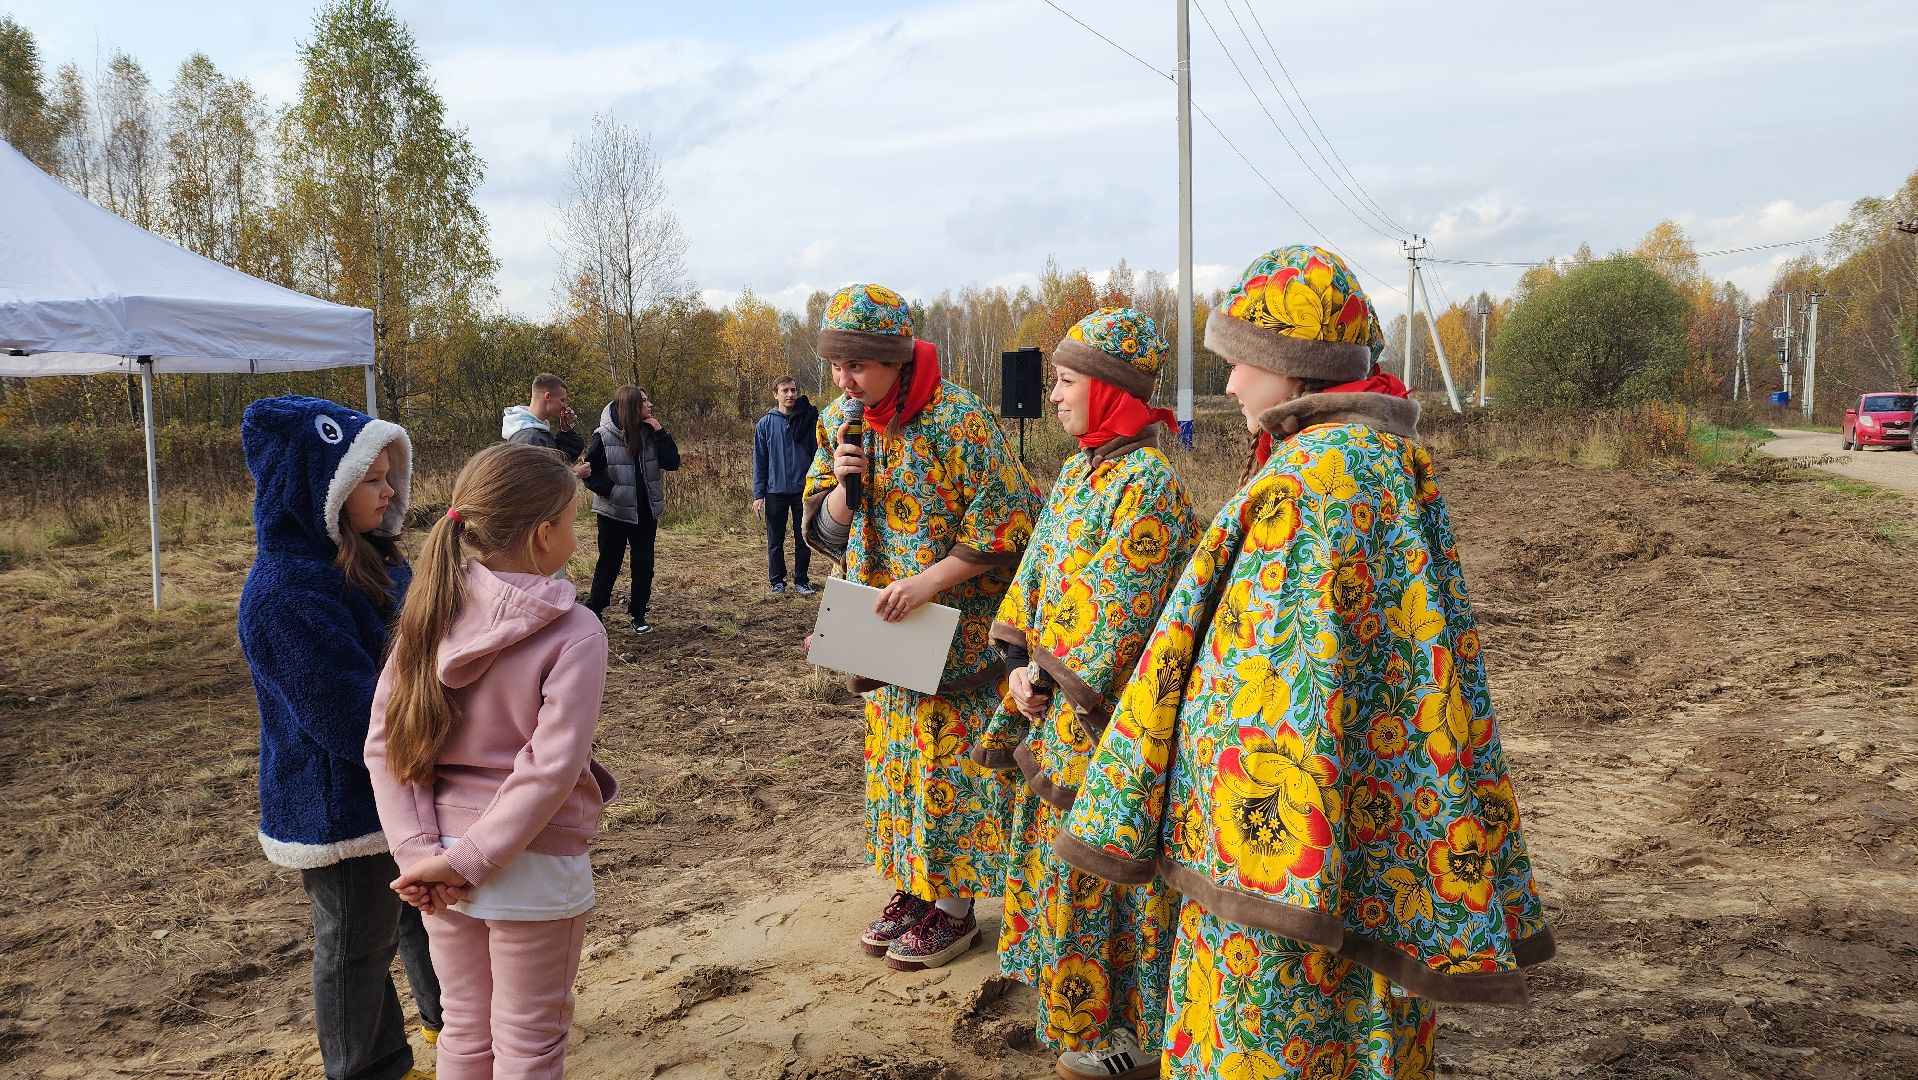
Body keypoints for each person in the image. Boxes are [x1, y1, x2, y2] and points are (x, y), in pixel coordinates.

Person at [1060, 246, 1554, 1079]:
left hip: (1278, 848)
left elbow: (1274, 690)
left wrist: (1221, 824)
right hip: (1350, 812)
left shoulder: (1320, 475)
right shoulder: (1371, 458)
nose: (1227, 389)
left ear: (1293, 371)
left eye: (1239, 364)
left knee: (1276, 1015)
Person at [970, 309, 1198, 1080]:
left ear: (1108, 390)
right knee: (1059, 866)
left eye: (1067, 382)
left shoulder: (1150, 485)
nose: (1056, 397)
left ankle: (1125, 1030)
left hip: (1109, 730)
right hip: (1054, 706)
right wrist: (1015, 664)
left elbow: (1122, 605)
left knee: (1103, 877)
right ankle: (1076, 1008)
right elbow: (1035, 574)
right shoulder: (1080, 470)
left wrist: (1049, 675)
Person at [801, 282, 1041, 971]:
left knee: (950, 767)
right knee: (899, 761)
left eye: (860, 367)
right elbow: (822, 530)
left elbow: (1009, 520)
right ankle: (915, 885)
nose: (847, 381)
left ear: (898, 359)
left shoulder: (955, 419)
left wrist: (926, 582)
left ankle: (958, 906)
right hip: (882, 629)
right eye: (838, 367)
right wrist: (845, 490)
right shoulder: (837, 423)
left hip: (954, 629)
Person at [365, 441, 617, 1080]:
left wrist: (422, 853)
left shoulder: (428, 614)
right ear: (541, 535)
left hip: (438, 859)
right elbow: (551, 766)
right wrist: (469, 860)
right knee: (531, 1044)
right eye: (571, 522)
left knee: (465, 1030)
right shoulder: (577, 630)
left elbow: (388, 745)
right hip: (532, 861)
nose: (575, 535)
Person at [237, 395, 441, 1080]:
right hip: (343, 805)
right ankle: (369, 1066)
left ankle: (455, 1021)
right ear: (323, 486)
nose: (389, 492)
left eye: (390, 476)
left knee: (416, 917)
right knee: (357, 944)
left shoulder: (373, 560)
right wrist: (449, 722)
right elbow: (351, 715)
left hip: (403, 781)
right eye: (373, 479)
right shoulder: (284, 592)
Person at [579, 385, 680, 634]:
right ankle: (595, 611)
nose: (650, 405)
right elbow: (588, 472)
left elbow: (672, 462)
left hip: (646, 513)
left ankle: (638, 615)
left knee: (644, 567)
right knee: (609, 564)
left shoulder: (650, 432)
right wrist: (613, 492)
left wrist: (660, 431)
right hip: (613, 513)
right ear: (632, 406)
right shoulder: (603, 435)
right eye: (645, 401)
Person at [752, 374, 816, 596]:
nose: (790, 394)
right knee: (775, 540)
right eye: (785, 390)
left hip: (803, 491)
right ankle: (777, 581)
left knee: (803, 538)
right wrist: (758, 494)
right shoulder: (765, 424)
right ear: (775, 395)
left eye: (793, 390)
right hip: (774, 491)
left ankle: (801, 580)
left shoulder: (807, 420)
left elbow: (819, 454)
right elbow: (759, 461)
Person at [500, 372, 584, 461]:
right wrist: (575, 472)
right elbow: (538, 474)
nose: (565, 405)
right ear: (547, 397)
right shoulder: (530, 439)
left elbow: (561, 459)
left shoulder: (535, 430)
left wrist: (567, 431)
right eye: (562, 400)